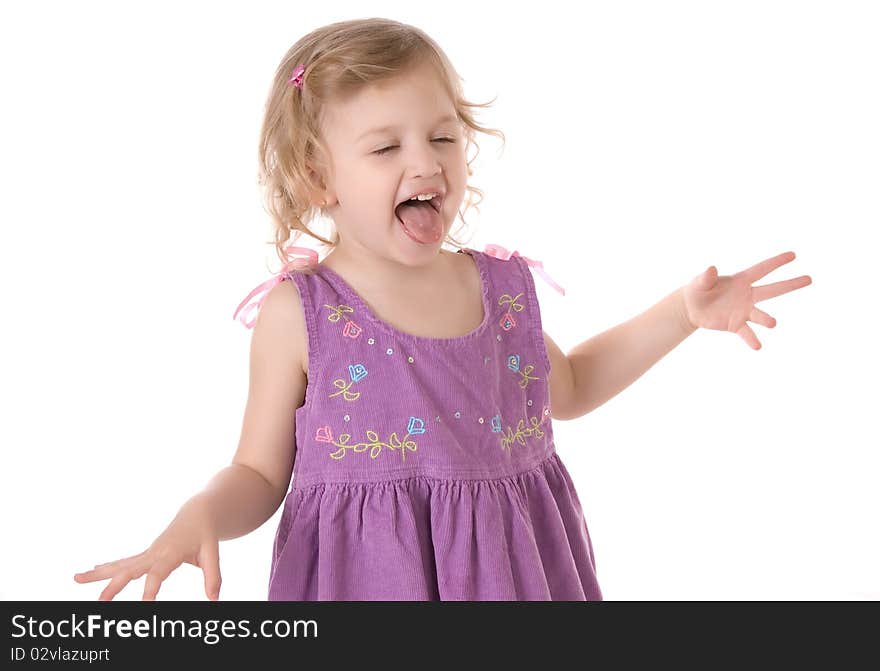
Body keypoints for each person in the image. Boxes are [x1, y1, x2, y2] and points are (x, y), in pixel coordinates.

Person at [73, 18, 812, 601]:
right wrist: (202, 512)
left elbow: (574, 386)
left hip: (514, 579)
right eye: (385, 147)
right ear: (317, 176)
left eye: (442, 137)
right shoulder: (303, 316)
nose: (424, 164)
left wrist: (681, 314)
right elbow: (258, 473)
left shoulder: (498, 291)